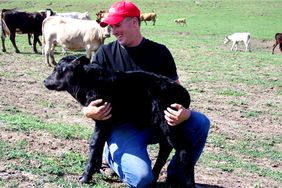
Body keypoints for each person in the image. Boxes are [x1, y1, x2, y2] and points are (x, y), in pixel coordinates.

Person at [80, 1, 210, 187]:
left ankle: (177, 177)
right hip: (123, 126)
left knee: (200, 122)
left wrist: (184, 113)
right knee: (141, 179)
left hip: (157, 122)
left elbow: (175, 91)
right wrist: (87, 111)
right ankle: (112, 154)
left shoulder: (160, 52)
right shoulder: (104, 54)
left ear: (134, 22)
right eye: (111, 26)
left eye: (117, 25)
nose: (113, 30)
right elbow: (90, 95)